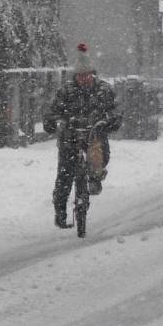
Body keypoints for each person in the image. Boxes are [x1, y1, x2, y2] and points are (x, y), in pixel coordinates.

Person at [43, 43, 122, 229]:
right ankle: (60, 212)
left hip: (94, 136)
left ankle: (95, 177)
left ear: (92, 74)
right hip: (69, 138)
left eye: (86, 75)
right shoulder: (66, 91)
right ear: (75, 75)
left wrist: (110, 121)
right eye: (80, 75)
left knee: (99, 156)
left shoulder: (104, 90)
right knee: (64, 176)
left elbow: (116, 110)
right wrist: (52, 122)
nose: (83, 79)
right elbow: (52, 110)